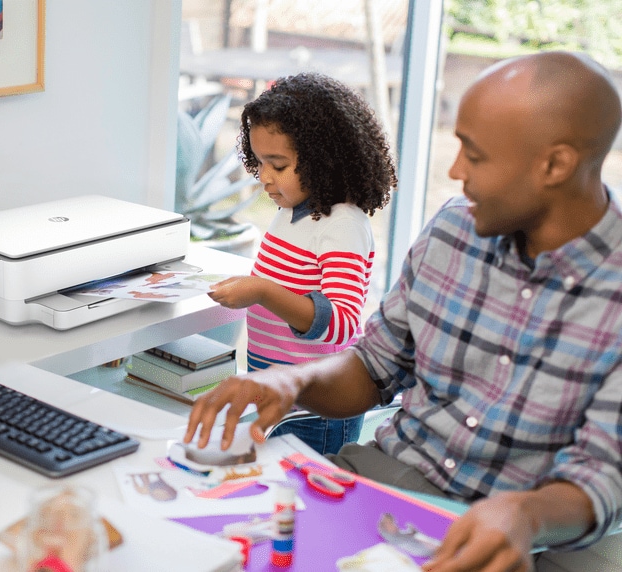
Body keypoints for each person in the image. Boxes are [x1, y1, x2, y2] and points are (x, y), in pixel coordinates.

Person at [185, 50, 622, 572]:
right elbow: (373, 365)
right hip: (383, 481)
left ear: (555, 164)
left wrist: (526, 515)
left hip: (516, 536)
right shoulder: (453, 231)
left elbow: (604, 474)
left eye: (475, 157)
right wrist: (291, 384)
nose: (456, 172)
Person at [207, 73, 396, 455]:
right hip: (280, 398)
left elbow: (342, 323)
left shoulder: (343, 225)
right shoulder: (290, 211)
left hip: (316, 412)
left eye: (278, 165)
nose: (264, 177)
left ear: (324, 161)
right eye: (259, 162)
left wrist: (261, 290)